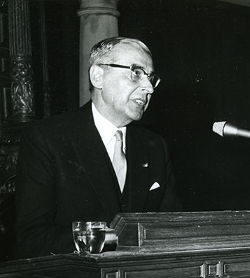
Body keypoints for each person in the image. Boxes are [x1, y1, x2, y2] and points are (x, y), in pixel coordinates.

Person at [15, 37, 182, 259]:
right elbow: (32, 237)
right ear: (98, 76)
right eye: (136, 73)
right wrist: (113, 240)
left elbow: (172, 229)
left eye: (151, 78)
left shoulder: (154, 146)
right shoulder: (47, 138)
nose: (149, 88)